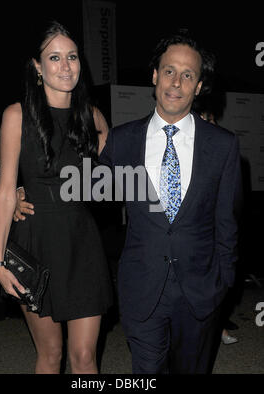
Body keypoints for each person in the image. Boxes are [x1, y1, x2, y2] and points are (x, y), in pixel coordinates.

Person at [99, 31, 242, 373]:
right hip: (142, 288)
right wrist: (26, 190)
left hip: (200, 292)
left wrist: (223, 284)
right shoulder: (123, 140)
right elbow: (89, 192)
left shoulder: (222, 146)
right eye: (168, 71)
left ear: (199, 85)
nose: (176, 82)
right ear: (154, 76)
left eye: (187, 75)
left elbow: (228, 223)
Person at [0, 20, 113, 374]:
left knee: (85, 357)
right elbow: (4, 189)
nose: (65, 66)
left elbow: (118, 180)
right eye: (55, 58)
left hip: (82, 244)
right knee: (50, 354)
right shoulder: (16, 116)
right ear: (37, 67)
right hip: (36, 243)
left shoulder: (93, 117)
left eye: (72, 57)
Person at [198, 108, 239, 345]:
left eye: (210, 119)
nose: (206, 123)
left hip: (215, 231)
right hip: (194, 233)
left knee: (215, 285)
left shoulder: (223, 149)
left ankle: (218, 326)